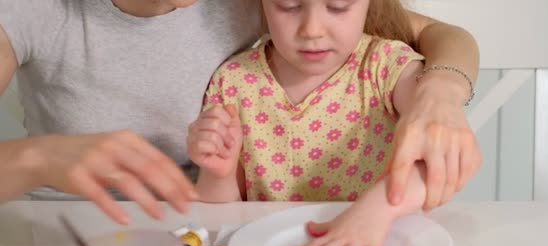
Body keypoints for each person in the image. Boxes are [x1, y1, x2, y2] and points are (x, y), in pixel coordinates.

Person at [0, 0, 480, 226]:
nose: (312, 28)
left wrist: (439, 92)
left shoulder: (254, 5)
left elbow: (437, 36)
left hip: (200, 243)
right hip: (64, 240)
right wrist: (36, 160)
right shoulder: (31, 11)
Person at [188, 0, 479, 246]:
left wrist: (377, 211)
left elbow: (439, 152)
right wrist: (218, 175)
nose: (312, 29)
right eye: (289, 5)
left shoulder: (386, 67)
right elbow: (222, 218)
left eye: (338, 6)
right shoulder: (233, 81)